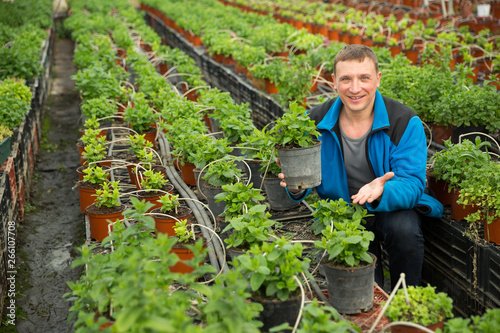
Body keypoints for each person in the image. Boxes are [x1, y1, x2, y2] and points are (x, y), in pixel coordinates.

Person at [278, 44, 443, 290]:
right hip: (344, 210)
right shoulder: (312, 122)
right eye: (346, 79)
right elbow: (302, 182)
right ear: (333, 81)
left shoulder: (404, 121)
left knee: (404, 229)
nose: (355, 88)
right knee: (363, 288)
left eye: (364, 78)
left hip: (391, 206)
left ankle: (406, 298)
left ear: (377, 79)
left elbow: (412, 183)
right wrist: (295, 186)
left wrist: (381, 191)